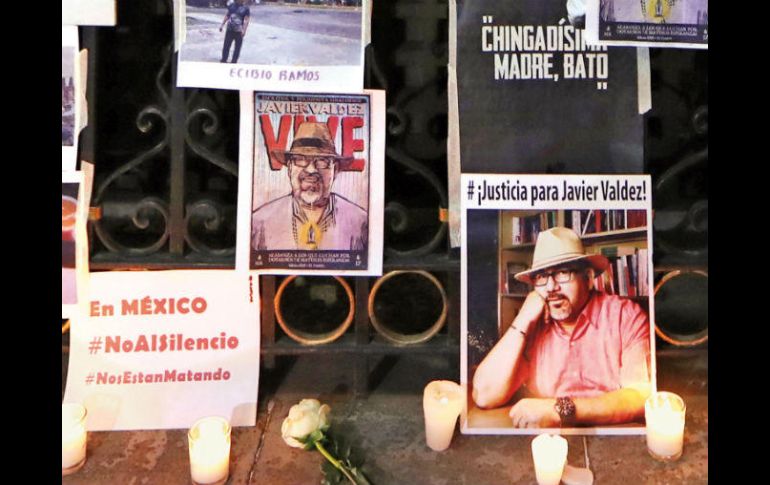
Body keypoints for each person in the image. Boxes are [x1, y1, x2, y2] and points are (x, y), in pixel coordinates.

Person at [472, 226, 651, 428]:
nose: (550, 288)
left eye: (563, 272)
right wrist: (522, 319)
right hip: (548, 441)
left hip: (614, 440)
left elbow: (641, 397)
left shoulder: (625, 316)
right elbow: (484, 395)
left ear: (589, 278)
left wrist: (559, 410)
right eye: (541, 277)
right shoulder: (532, 325)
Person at [251, 122, 368, 251]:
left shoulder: (361, 222)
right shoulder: (259, 222)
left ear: (335, 170)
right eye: (300, 159)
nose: (311, 170)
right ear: (289, 168)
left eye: (322, 161)